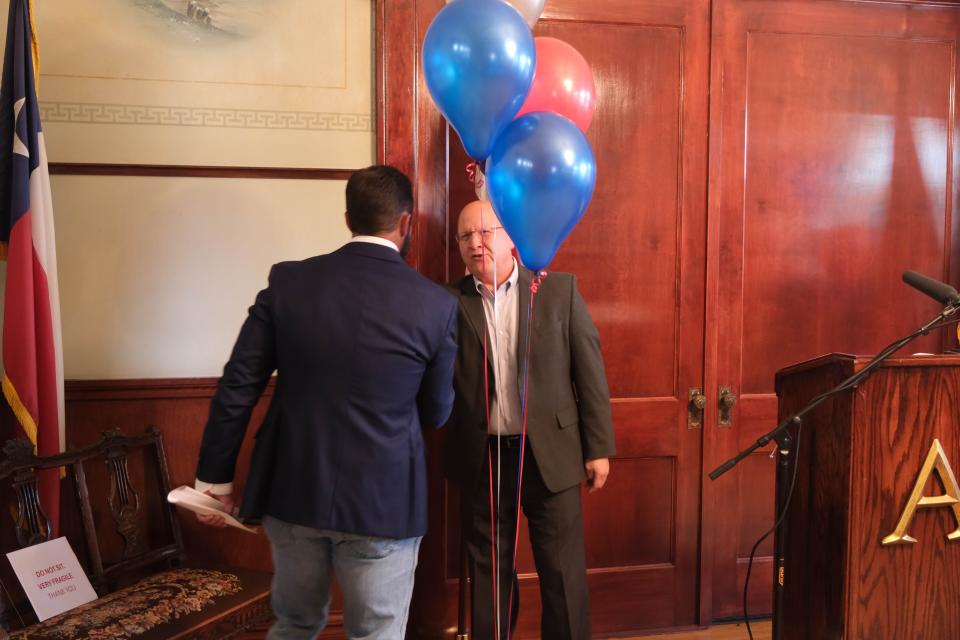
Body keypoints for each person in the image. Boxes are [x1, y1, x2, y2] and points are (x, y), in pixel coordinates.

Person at [193, 165, 458, 640]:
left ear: (347, 218)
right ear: (404, 222)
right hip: (385, 502)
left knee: (294, 625)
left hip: (294, 491)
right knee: (377, 633)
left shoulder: (289, 282)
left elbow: (238, 385)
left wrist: (214, 480)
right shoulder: (436, 305)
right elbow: (437, 411)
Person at [443, 200, 616, 640]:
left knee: (561, 572)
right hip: (482, 456)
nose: (476, 244)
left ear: (512, 237)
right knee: (488, 573)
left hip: (549, 454)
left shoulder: (558, 290)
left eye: (486, 232)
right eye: (466, 236)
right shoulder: (446, 301)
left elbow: (589, 372)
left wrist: (598, 449)